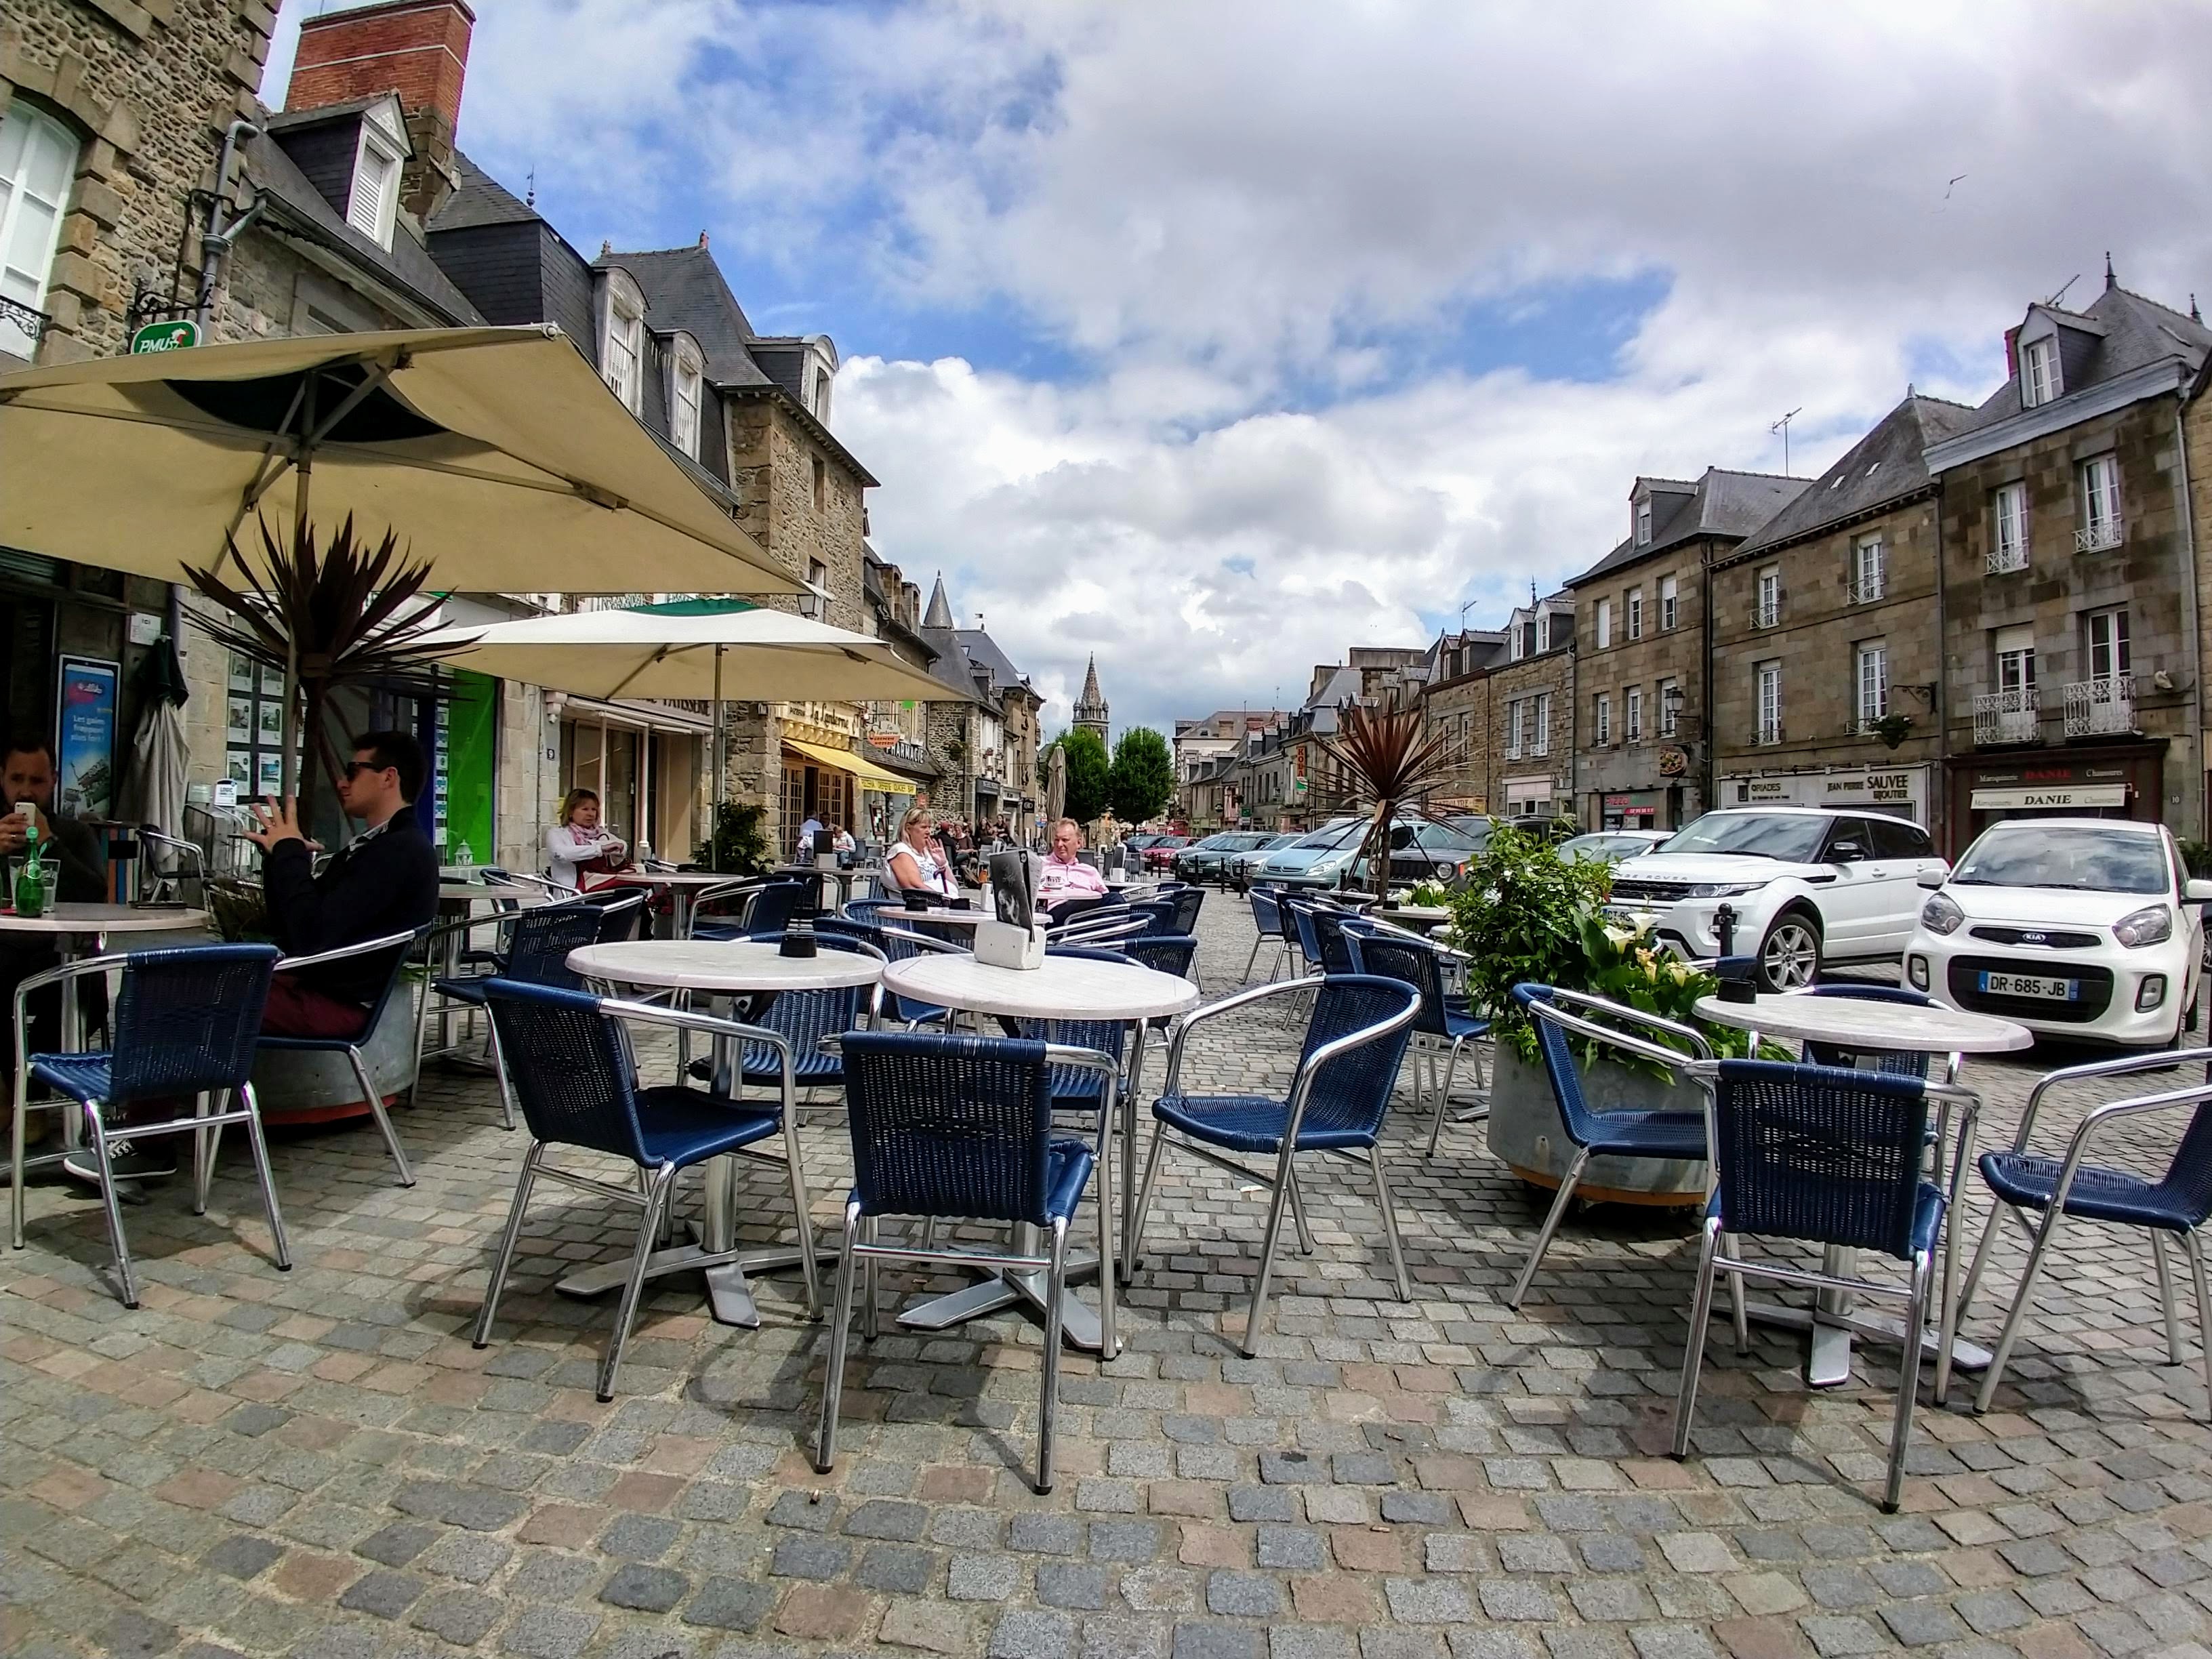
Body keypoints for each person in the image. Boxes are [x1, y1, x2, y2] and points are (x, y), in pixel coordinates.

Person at [243, 730, 439, 1039]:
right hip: (318, 988)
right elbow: (289, 925)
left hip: (338, 1002)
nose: (341, 783)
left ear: (388, 778)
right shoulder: (375, 846)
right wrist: (279, 856)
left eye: (353, 772)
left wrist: (290, 853)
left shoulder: (398, 851)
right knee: (195, 985)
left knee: (195, 995)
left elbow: (310, 934)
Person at [1, 736, 117, 1165]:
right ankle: (10, 1086)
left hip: (58, 954)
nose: (26, 791)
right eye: (17, 779)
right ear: (2, 779)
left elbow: (96, 896)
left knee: (64, 987)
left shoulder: (72, 833)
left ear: (52, 782)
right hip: (5, 952)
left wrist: (51, 846)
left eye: (36, 781)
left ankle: (31, 1094)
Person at [547, 787, 627, 888]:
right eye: (585, 809)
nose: (591, 814)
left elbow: (623, 846)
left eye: (594, 809)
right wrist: (599, 849)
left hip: (603, 889)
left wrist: (605, 846)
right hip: (573, 893)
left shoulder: (601, 833)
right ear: (571, 812)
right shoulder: (556, 833)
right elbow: (561, 854)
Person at [882, 806, 958, 901]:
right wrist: (946, 900)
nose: (929, 832)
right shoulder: (900, 851)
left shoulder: (928, 853)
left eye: (929, 827)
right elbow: (915, 888)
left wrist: (943, 864)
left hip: (943, 904)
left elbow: (954, 886)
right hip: (921, 907)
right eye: (924, 827)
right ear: (908, 829)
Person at [1038, 817, 1109, 907]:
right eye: (1057, 840)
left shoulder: (1090, 871)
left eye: (1065, 840)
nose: (1059, 845)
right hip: (1057, 909)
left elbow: (1106, 896)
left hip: (1088, 913)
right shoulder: (1041, 865)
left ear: (1079, 843)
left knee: (1114, 900)